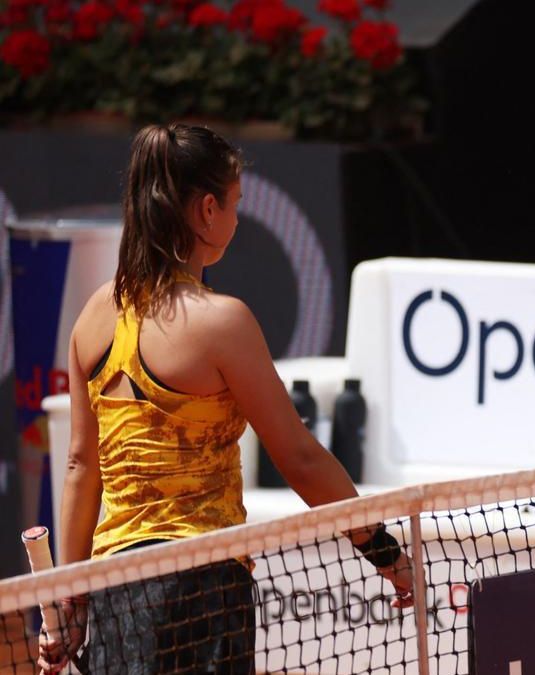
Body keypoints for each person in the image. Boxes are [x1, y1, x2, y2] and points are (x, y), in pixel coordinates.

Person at [37, 123, 414, 674]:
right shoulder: (223, 323)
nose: (236, 219)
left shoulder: (93, 316)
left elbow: (79, 466)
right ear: (206, 210)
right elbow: (301, 458)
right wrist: (386, 554)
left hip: (114, 588)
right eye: (234, 205)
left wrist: (70, 599)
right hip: (204, 588)